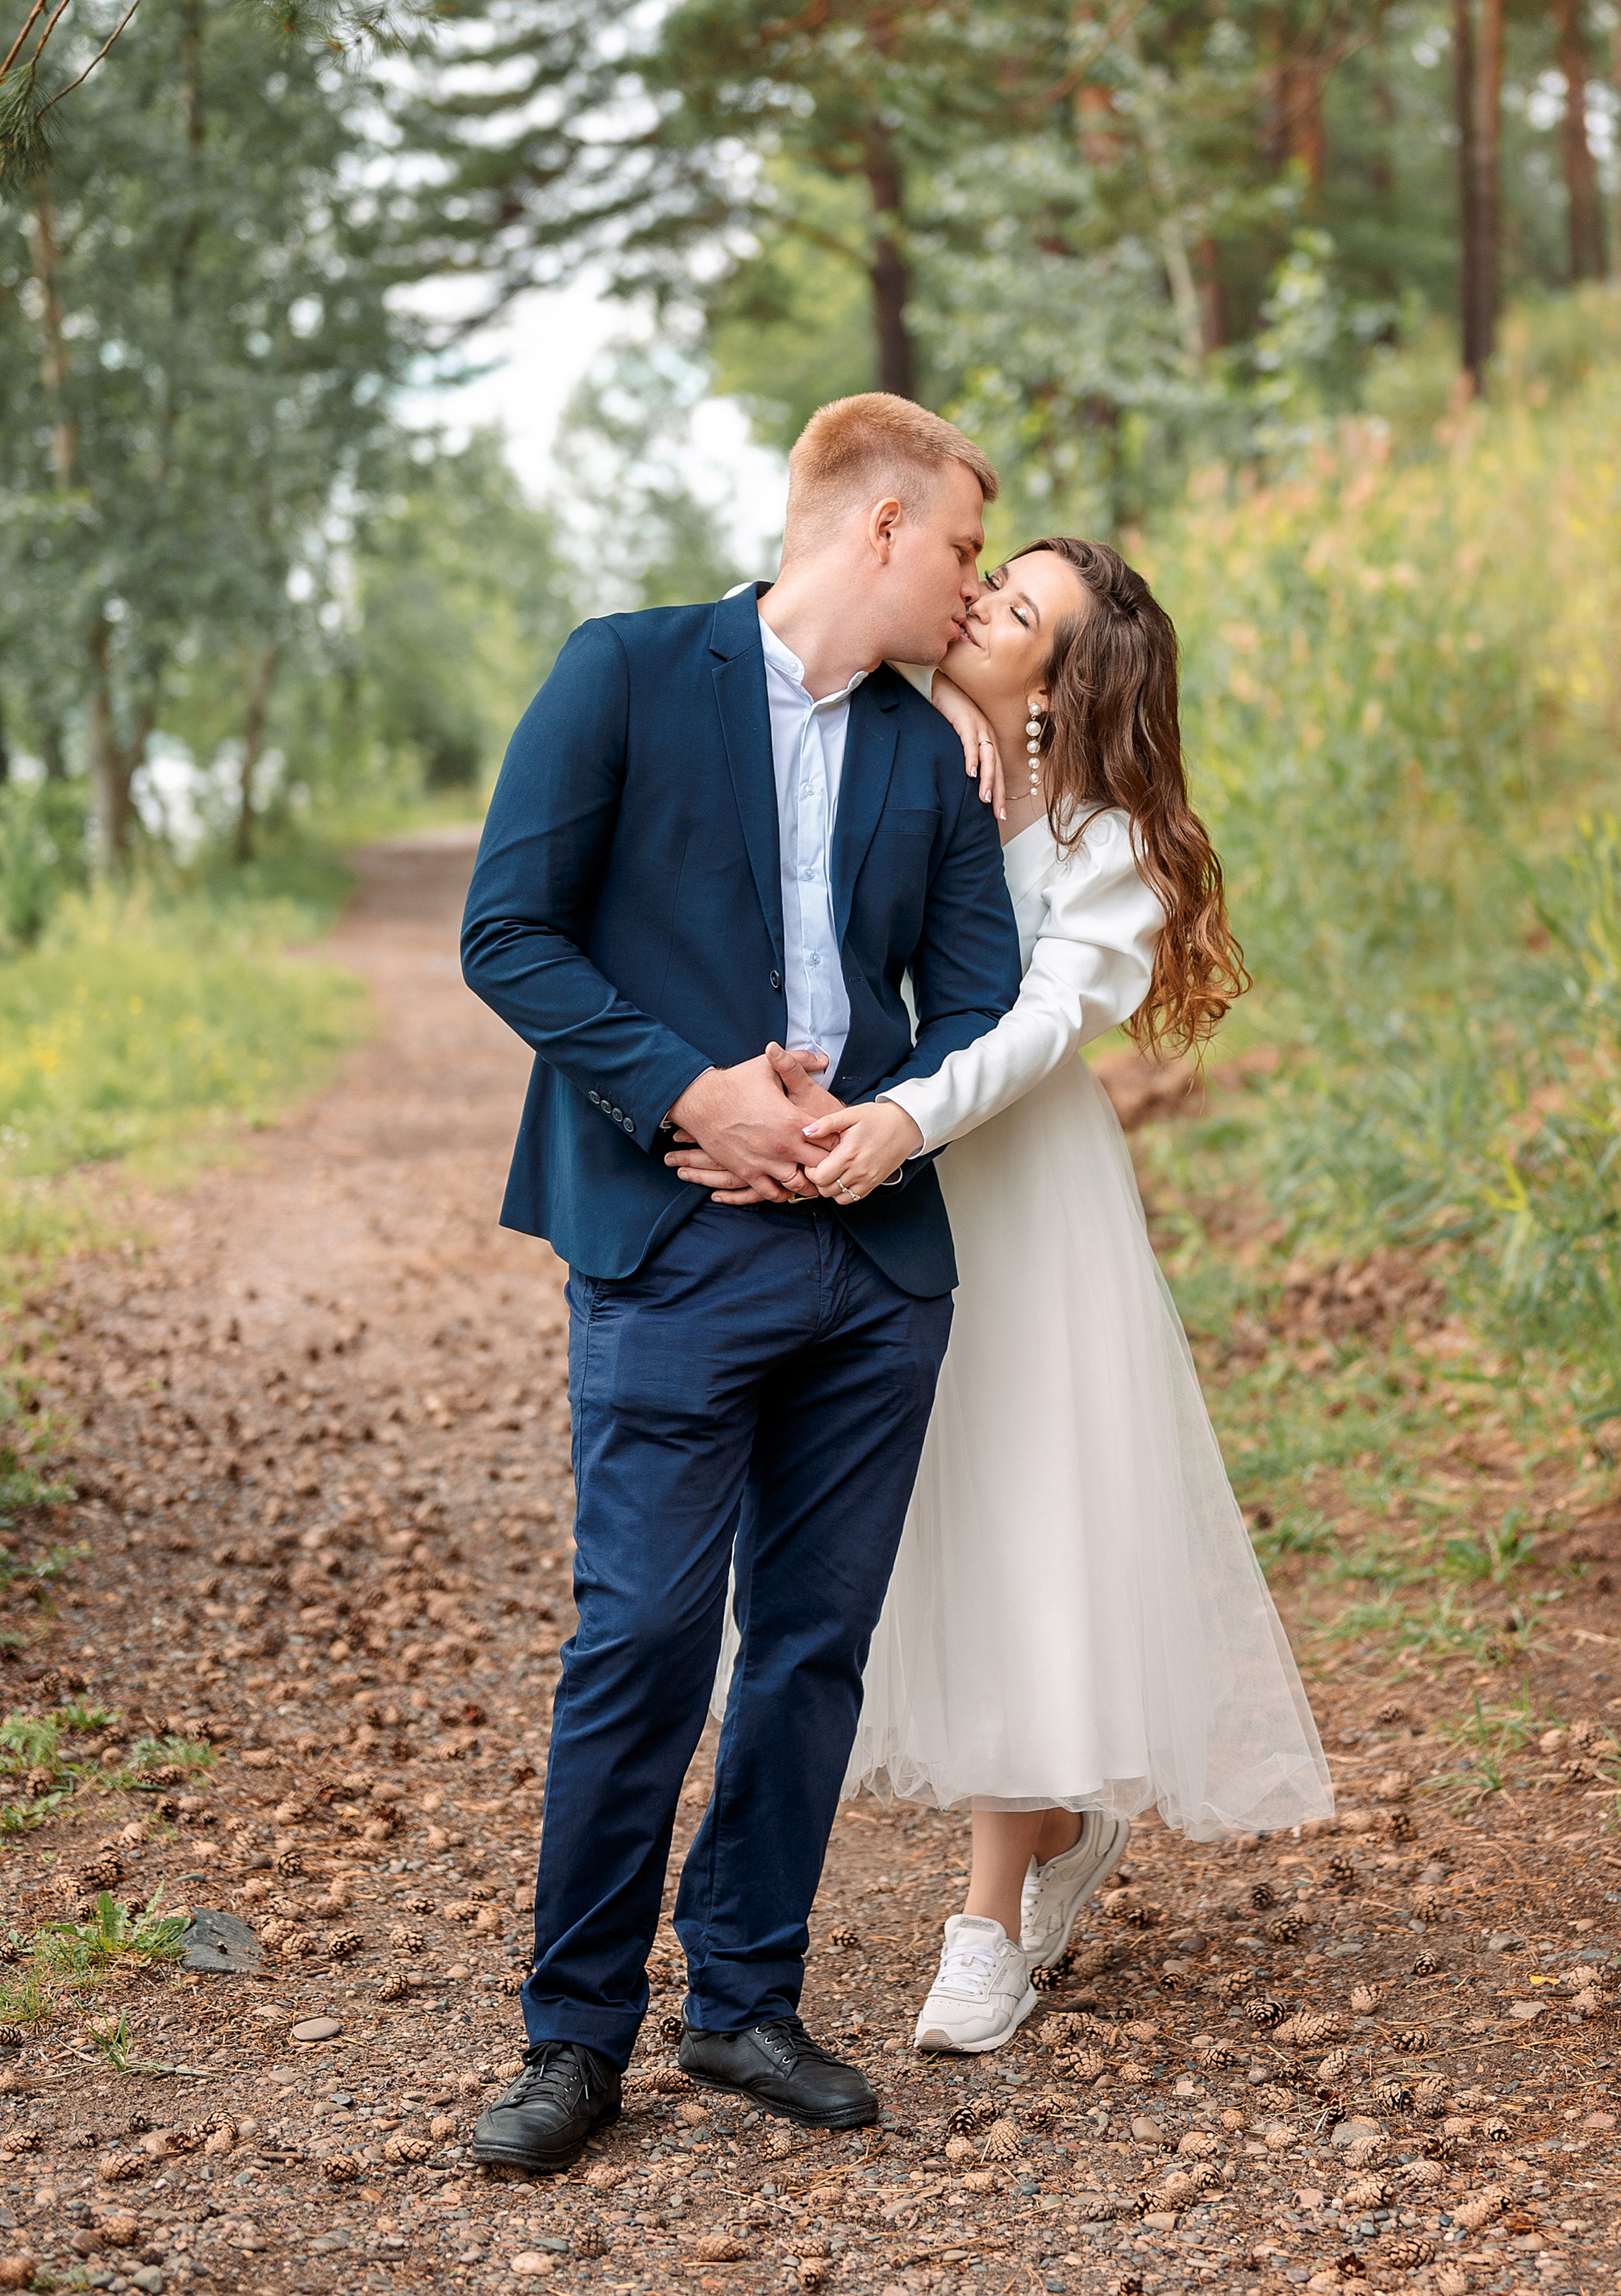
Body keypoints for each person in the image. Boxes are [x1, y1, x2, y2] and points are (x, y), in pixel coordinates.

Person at [669, 538, 1331, 2059]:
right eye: (989, 577)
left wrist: (903, 1122)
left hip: (1015, 1192)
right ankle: (1056, 1826)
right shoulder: (911, 746)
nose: (973, 600)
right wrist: (932, 692)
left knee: (1024, 1522)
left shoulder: (1109, 844)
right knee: (905, 1520)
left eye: (1013, 610)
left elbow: (1038, 1028)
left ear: (1058, 685)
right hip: (872, 1179)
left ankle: (987, 1923)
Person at [457, 395, 1023, 2168]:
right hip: (673, 1236)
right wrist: (694, 1093)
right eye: (961, 547)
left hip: (871, 1257)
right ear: (878, 523)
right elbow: (507, 934)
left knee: (808, 1649)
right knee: (638, 1634)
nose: (974, 585)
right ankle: (574, 2037)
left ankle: (745, 1999)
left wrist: (875, 1123)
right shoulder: (623, 673)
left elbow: (980, 999)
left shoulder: (930, 754)